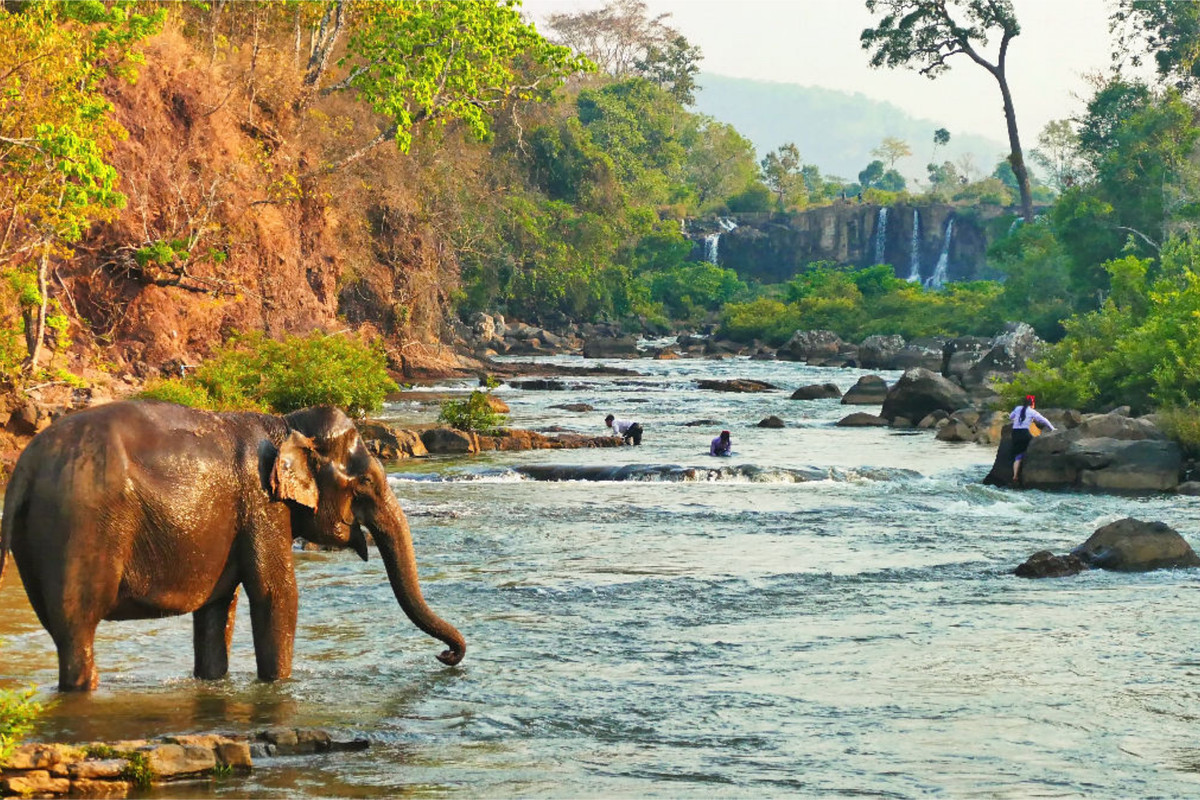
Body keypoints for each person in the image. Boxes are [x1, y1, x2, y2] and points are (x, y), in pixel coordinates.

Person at [1010, 394, 1054, 482]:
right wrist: (1052, 428)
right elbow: (1044, 420)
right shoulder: (1032, 411)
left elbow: (1010, 417)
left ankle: (1015, 475)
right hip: (1024, 433)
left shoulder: (1018, 408)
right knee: (1033, 446)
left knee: (1017, 455)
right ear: (1032, 404)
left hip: (1015, 433)